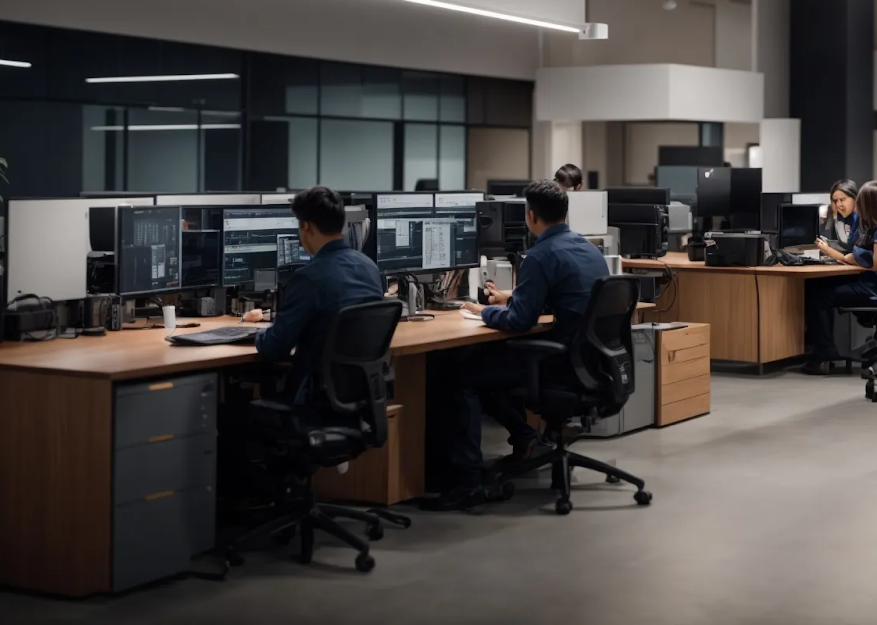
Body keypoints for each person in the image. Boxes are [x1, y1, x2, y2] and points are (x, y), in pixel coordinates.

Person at [427, 180, 609, 509]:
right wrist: (515, 296)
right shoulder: (588, 248)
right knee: (485, 363)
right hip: (590, 362)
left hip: (559, 363)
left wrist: (485, 310)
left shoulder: (540, 255)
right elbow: (570, 295)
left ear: (530, 216)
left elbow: (518, 322)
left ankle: (467, 481)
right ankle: (525, 437)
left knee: (462, 376)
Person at [244, 185, 385, 405]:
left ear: (306, 227)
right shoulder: (369, 268)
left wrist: (256, 333)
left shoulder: (308, 278)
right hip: (360, 396)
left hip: (314, 402)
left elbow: (275, 348)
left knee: (231, 414)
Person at [801, 181, 877, 375]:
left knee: (818, 295)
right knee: (821, 287)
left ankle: (824, 354)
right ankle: (825, 352)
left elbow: (875, 263)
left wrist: (844, 255)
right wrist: (853, 256)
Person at [818, 179, 860, 253]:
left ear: (855, 199)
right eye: (835, 201)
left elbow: (850, 247)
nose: (838, 205)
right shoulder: (837, 218)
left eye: (842, 199)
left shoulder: (865, 220)